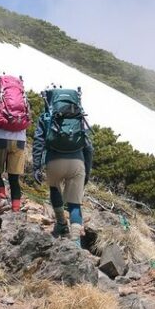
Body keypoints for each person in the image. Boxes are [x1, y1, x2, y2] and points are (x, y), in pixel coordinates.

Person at [32, 85, 94, 248]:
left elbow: (39, 142)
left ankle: (61, 223)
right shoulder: (80, 117)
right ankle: (75, 241)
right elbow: (89, 147)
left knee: (54, 189)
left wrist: (36, 166)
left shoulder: (47, 116)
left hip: (54, 161)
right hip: (77, 162)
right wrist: (86, 170)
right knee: (75, 203)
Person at [0, 69, 31, 213]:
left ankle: (2, 200)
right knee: (14, 179)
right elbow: (25, 119)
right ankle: (15, 211)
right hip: (19, 141)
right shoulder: (23, 96)